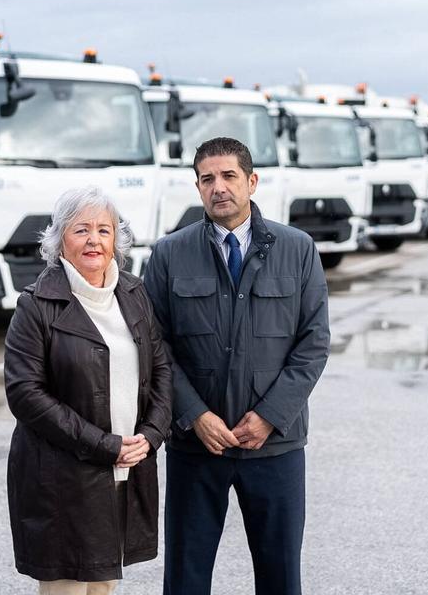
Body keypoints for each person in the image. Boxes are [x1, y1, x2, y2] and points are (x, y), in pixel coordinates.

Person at [144, 137, 331, 595]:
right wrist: (194, 415)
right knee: (185, 578)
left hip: (275, 446)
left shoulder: (297, 249)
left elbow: (314, 342)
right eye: (207, 179)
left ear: (252, 181)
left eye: (229, 176)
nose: (219, 187)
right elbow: (153, 345)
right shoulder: (170, 254)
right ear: (197, 187)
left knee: (280, 576)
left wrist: (270, 415)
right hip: (196, 446)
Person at [4, 186, 172, 594]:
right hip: (62, 481)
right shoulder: (36, 304)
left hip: (124, 469)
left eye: (103, 230)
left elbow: (162, 370)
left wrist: (151, 435)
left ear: (116, 239)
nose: (93, 240)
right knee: (67, 587)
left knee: (103, 587)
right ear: (59, 240)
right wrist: (103, 445)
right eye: (81, 230)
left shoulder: (134, 294)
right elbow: (26, 394)